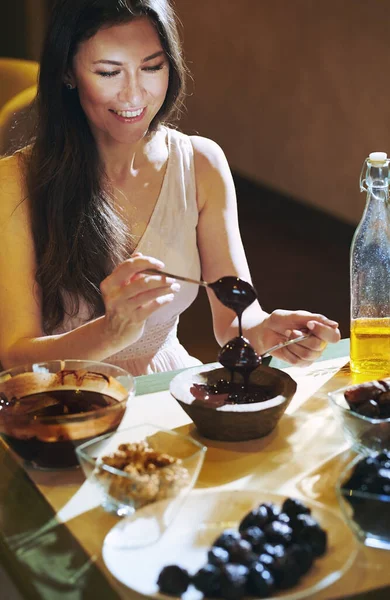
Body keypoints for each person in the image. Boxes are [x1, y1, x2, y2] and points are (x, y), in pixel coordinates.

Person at [0, 0, 340, 376]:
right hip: (65, 401)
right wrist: (109, 333)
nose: (133, 95)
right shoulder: (15, 181)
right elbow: (15, 355)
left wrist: (267, 332)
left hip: (165, 387)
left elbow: (235, 323)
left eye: (151, 67)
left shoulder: (201, 164)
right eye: (109, 72)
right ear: (68, 72)